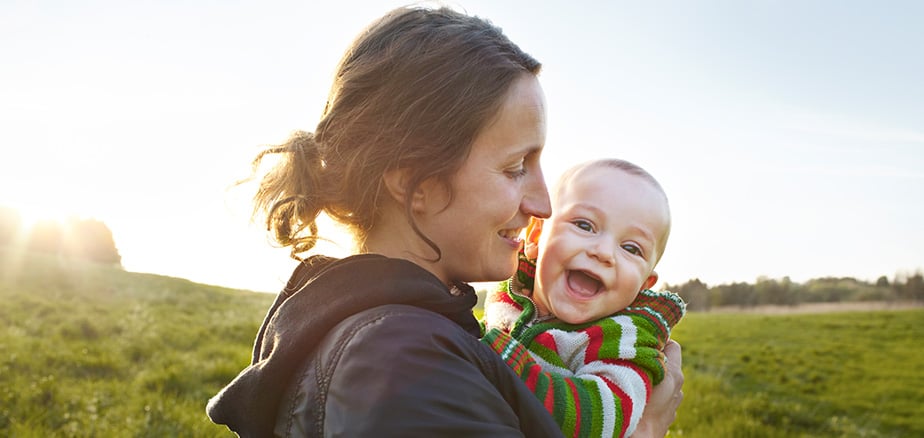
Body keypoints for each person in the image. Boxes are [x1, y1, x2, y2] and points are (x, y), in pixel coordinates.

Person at [206, 6, 683, 437]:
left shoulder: (405, 336)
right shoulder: (402, 363)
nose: (543, 203)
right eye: (516, 166)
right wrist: (647, 430)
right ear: (412, 178)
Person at [482, 159, 686, 437]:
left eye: (631, 248)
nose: (603, 252)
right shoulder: (509, 293)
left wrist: (495, 359)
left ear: (642, 286)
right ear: (536, 236)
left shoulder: (625, 340)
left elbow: (598, 419)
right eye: (584, 225)